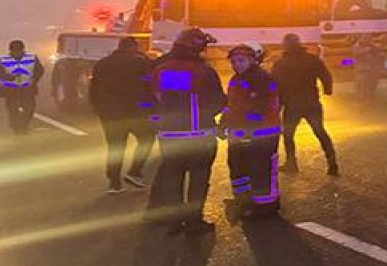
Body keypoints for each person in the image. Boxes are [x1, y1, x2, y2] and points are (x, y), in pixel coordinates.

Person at [147, 28, 226, 235]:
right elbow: (218, 102)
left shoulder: (161, 70)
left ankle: (174, 221)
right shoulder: (204, 72)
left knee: (173, 179)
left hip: (169, 136)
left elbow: (152, 99)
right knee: (198, 179)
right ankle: (193, 222)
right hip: (200, 136)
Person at [221, 42, 282, 218]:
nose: (237, 65)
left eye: (241, 61)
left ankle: (267, 206)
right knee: (238, 167)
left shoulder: (262, 78)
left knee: (261, 169)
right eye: (234, 62)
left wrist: (248, 127)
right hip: (241, 134)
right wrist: (223, 123)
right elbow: (232, 105)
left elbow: (259, 107)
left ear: (252, 60)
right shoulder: (236, 79)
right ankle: (244, 201)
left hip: (262, 135)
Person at [88, 37, 155, 194]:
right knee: (147, 139)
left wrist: (97, 108)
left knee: (115, 147)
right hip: (134, 112)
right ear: (134, 47)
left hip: (109, 113)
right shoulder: (140, 62)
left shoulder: (102, 63)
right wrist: (151, 108)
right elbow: (150, 84)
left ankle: (114, 183)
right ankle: (134, 171)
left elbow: (94, 87)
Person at [271, 33, 339, 176]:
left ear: (285, 46)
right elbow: (325, 75)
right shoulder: (312, 59)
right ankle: (332, 163)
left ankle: (291, 163)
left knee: (288, 135)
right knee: (320, 131)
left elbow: (275, 86)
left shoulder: (281, 64)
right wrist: (328, 90)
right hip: (311, 103)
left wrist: (277, 105)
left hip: (292, 105)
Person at [1, 40, 45, 135]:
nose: (17, 53)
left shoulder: (32, 58)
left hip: (27, 88)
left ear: (23, 50)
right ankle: (16, 128)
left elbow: (40, 70)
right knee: (13, 110)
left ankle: (24, 125)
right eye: (15, 51)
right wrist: (8, 77)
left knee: (29, 109)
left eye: (19, 51)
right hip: (10, 89)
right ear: (11, 51)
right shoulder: (3, 60)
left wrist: (34, 80)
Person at [351, 35, 380, 102]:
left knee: (371, 85)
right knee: (361, 86)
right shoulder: (356, 46)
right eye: (365, 38)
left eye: (368, 38)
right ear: (360, 38)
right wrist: (368, 49)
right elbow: (356, 53)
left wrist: (374, 48)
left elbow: (378, 54)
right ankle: (360, 100)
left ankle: (367, 100)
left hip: (371, 68)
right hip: (361, 69)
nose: (367, 40)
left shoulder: (372, 46)